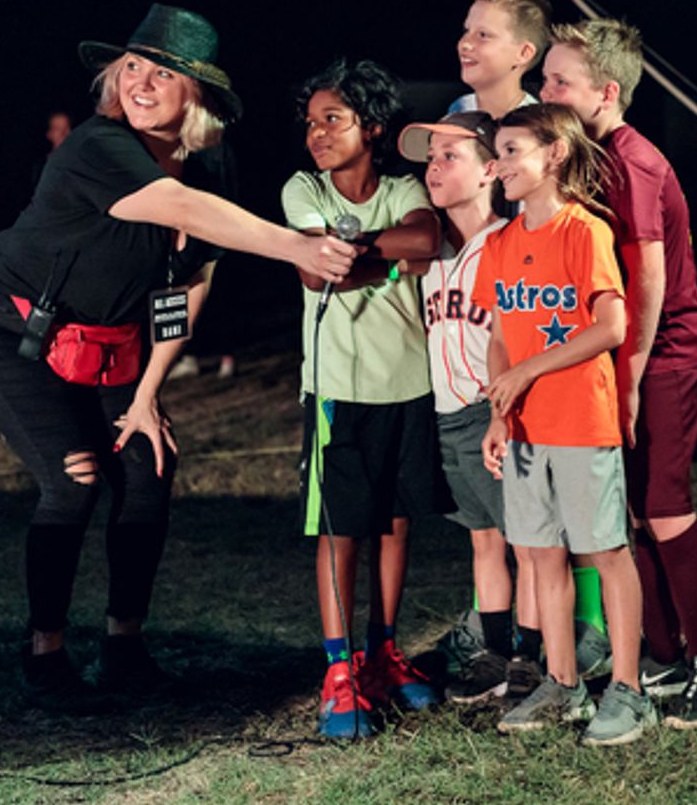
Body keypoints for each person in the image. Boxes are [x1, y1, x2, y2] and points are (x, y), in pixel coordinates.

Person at [0, 4, 355, 713]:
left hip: (108, 339)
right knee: (72, 479)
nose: (140, 80)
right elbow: (177, 208)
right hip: (1, 322)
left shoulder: (212, 160)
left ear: (197, 95)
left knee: (147, 464)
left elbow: (191, 278)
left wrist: (148, 393)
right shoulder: (97, 147)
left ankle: (124, 647)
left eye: (163, 72)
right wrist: (294, 245)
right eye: (133, 65)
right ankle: (44, 654)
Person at [541, 18, 697, 728]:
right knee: (624, 511)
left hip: (664, 352)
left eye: (560, 81)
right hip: (616, 354)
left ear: (606, 91)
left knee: (664, 505)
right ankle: (659, 652)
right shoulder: (588, 154)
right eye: (545, 79)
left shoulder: (635, 160)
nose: (547, 91)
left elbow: (647, 277)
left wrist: (629, 376)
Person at [475, 103, 655, 745]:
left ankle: (630, 692)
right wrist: (501, 411)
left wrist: (530, 372)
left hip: (580, 420)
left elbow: (610, 326)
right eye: (496, 153)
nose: (499, 166)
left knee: (605, 552)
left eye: (513, 150)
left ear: (554, 154)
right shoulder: (498, 243)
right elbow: (500, 336)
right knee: (539, 554)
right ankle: (563, 683)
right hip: (523, 430)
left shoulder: (584, 231)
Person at [281, 58, 442, 739]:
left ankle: (382, 650)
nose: (317, 133)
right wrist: (382, 256)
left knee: (395, 523)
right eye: (312, 122)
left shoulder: (405, 186)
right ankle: (339, 668)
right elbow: (324, 271)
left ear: (372, 127)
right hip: (338, 390)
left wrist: (363, 247)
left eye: (334, 120)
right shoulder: (301, 188)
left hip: (408, 383)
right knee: (340, 529)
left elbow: (427, 238)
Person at [395, 110, 545, 704]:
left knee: (528, 541)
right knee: (482, 538)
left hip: (499, 413)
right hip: (446, 416)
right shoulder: (426, 251)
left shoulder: (509, 241)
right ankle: (494, 651)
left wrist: (507, 414)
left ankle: (532, 658)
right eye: (431, 157)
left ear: (490, 169)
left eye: (450, 156)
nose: (434, 168)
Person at [448, 0, 551, 118]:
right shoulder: (459, 109)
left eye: (483, 35)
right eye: (467, 31)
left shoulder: (535, 127)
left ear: (524, 53)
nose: (465, 44)